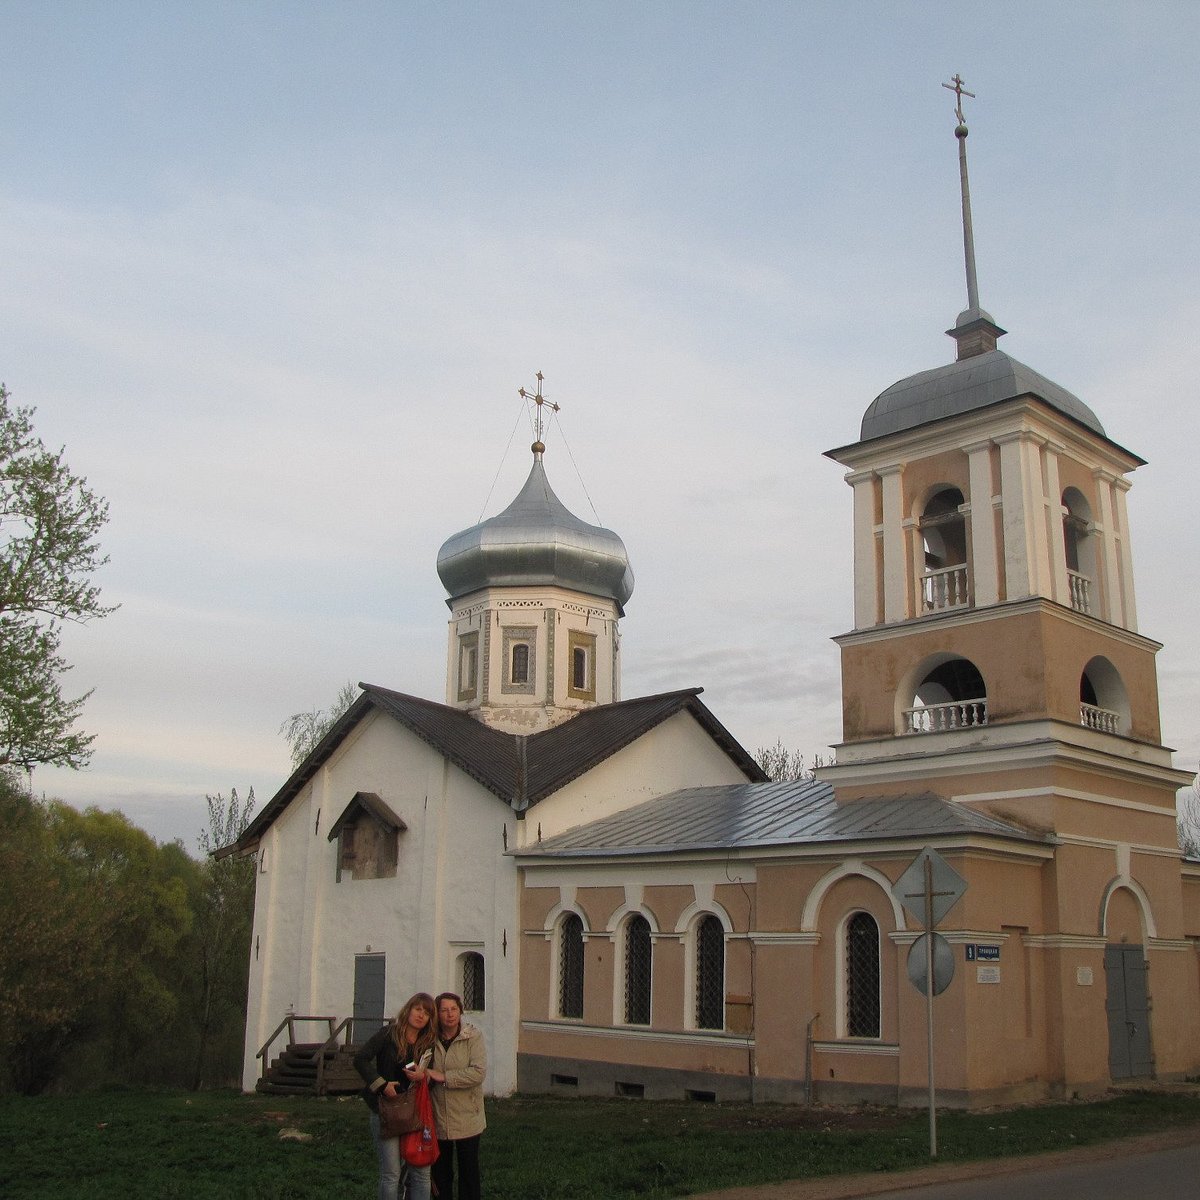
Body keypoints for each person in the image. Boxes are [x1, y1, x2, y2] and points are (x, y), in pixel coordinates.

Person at [354, 993, 439, 1200]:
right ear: (408, 1010)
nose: (421, 1016)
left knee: (420, 1170)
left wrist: (423, 1075)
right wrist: (381, 1084)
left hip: (414, 1113)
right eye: (418, 1009)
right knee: (392, 1173)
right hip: (387, 1110)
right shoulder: (388, 1034)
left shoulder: (426, 1043)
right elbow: (361, 1059)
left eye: (426, 1013)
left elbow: (433, 1076)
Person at [427, 991, 487, 1200]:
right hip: (439, 1114)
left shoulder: (472, 1037)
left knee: (468, 1171)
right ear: (437, 1014)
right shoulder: (430, 1039)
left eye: (453, 1009)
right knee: (441, 1172)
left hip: (467, 1115)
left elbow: (478, 1073)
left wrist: (444, 1077)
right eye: (444, 1010)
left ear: (460, 1011)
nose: (449, 1015)